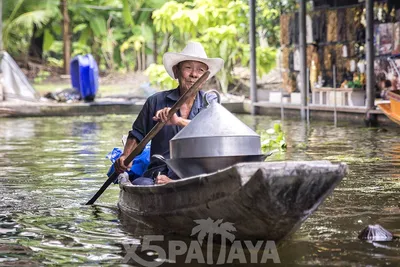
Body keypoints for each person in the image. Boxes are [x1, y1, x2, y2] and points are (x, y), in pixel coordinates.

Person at [114, 42, 224, 185]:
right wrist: (125, 156)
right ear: (176, 71)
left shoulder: (210, 102)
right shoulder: (155, 101)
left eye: (201, 70)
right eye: (188, 68)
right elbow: (137, 135)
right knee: (143, 184)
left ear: (205, 77)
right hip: (158, 172)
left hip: (197, 175)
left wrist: (178, 121)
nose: (194, 75)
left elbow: (212, 132)